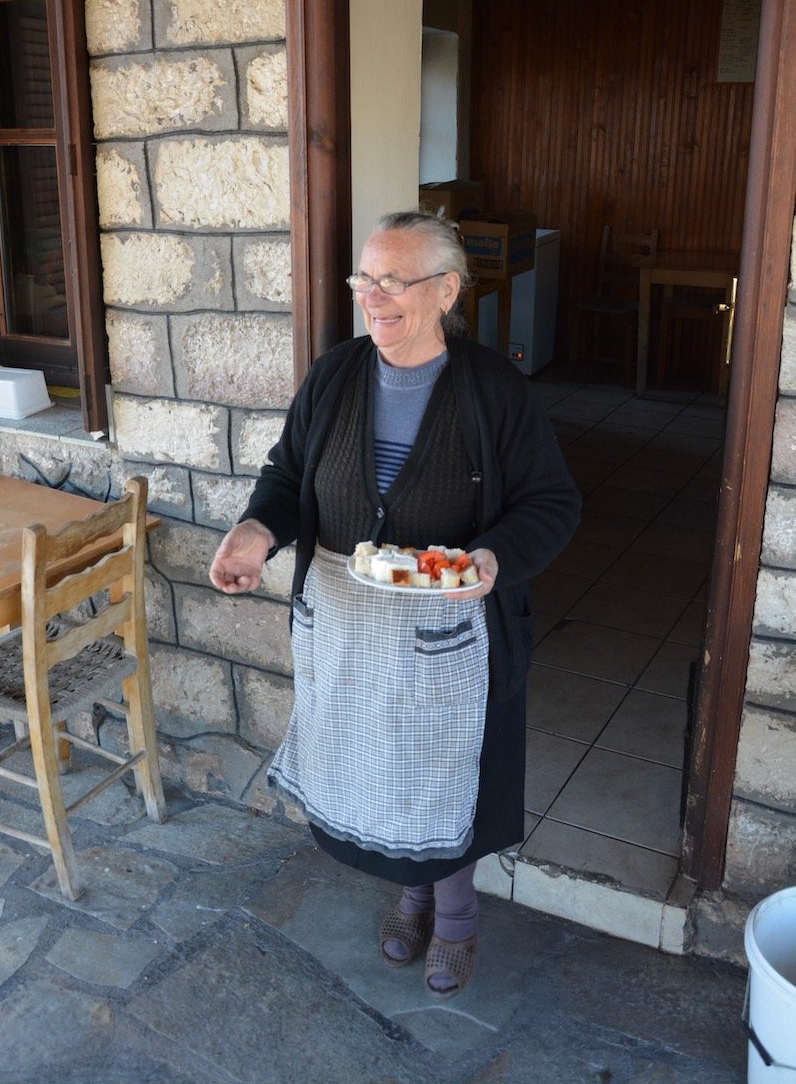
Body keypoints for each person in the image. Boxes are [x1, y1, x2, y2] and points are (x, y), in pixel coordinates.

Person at [209, 210, 580, 999]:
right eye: (364, 280)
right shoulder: (335, 373)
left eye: (393, 281)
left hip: (448, 627)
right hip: (344, 622)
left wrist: (493, 557)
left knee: (441, 776)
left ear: (446, 290)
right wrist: (255, 530)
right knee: (379, 769)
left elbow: (553, 503)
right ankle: (414, 892)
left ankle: (455, 918)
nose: (373, 298)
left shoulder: (492, 389)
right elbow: (288, 475)